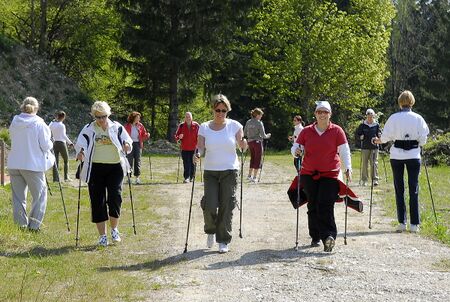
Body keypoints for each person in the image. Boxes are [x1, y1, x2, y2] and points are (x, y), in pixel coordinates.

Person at [291, 101, 352, 252]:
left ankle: (328, 237)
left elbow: (344, 151)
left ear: (330, 114)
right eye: (319, 112)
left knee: (326, 203)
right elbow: (295, 148)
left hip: (331, 173)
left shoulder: (337, 131)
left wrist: (348, 168)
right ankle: (315, 236)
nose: (322, 114)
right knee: (313, 204)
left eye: (325, 112)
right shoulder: (306, 131)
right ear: (315, 114)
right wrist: (296, 151)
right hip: (309, 173)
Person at [75, 101, 133, 247]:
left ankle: (114, 229)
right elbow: (81, 143)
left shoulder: (117, 127)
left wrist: (127, 145)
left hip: (115, 168)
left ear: (109, 115)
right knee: (97, 201)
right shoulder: (89, 128)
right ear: (93, 116)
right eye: (98, 117)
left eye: (104, 116)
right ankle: (102, 236)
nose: (101, 120)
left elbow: (127, 141)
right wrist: (81, 152)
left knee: (115, 198)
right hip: (95, 168)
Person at [195, 94, 247, 253]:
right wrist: (196, 154)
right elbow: (201, 148)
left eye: (224, 110)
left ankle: (223, 240)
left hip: (230, 171)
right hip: (211, 171)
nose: (220, 113)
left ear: (228, 110)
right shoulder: (204, 127)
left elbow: (241, 145)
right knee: (210, 205)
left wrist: (244, 144)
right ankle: (211, 230)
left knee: (227, 204)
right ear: (213, 109)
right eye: (218, 110)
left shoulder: (235, 125)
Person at [373, 90, 429, 233]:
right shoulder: (418, 118)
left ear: (400, 102)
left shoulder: (393, 118)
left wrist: (377, 140)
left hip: (397, 156)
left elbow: (385, 137)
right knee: (413, 188)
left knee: (399, 188)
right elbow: (423, 140)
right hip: (413, 155)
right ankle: (414, 224)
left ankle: (402, 222)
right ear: (412, 102)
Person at [8, 97, 55, 231]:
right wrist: (51, 142)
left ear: (23, 107)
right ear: (36, 108)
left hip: (15, 163)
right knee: (39, 196)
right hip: (32, 165)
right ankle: (34, 226)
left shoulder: (15, 121)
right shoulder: (39, 123)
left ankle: (20, 225)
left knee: (18, 197)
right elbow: (46, 146)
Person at [243, 108, 271, 182]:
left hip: (250, 142)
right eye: (261, 115)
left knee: (252, 158)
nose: (261, 116)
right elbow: (263, 135)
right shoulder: (259, 123)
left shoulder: (248, 122)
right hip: (257, 142)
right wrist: (268, 136)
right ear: (257, 115)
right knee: (257, 159)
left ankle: (249, 175)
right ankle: (255, 177)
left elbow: (245, 133)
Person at [355, 109, 381, 186]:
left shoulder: (376, 125)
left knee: (374, 163)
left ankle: (375, 180)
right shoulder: (362, 125)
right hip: (365, 147)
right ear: (366, 116)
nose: (370, 118)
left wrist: (379, 135)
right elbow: (357, 135)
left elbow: (379, 133)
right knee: (364, 164)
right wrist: (360, 137)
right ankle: (364, 180)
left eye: (371, 117)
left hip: (374, 147)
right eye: (368, 116)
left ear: (373, 116)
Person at [124, 111, 150, 184]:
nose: (139, 119)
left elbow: (143, 135)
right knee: (129, 161)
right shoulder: (127, 125)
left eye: (139, 118)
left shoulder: (140, 125)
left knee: (137, 161)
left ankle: (137, 177)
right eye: (137, 117)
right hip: (129, 144)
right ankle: (129, 177)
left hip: (138, 144)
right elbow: (123, 135)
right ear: (133, 118)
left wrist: (147, 135)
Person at [175, 112, 200, 183]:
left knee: (193, 163)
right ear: (184, 118)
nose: (188, 118)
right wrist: (179, 137)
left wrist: (200, 141)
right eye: (186, 117)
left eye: (189, 117)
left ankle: (192, 177)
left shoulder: (196, 125)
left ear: (191, 117)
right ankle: (187, 177)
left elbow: (201, 135)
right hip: (185, 148)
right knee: (186, 163)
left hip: (195, 148)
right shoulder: (182, 125)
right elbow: (176, 136)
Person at [49, 111, 74, 182]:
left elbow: (48, 128)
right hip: (61, 143)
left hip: (55, 143)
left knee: (55, 161)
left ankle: (55, 178)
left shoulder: (52, 124)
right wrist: (70, 143)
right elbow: (63, 135)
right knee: (66, 160)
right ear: (63, 117)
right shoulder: (62, 125)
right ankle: (66, 177)